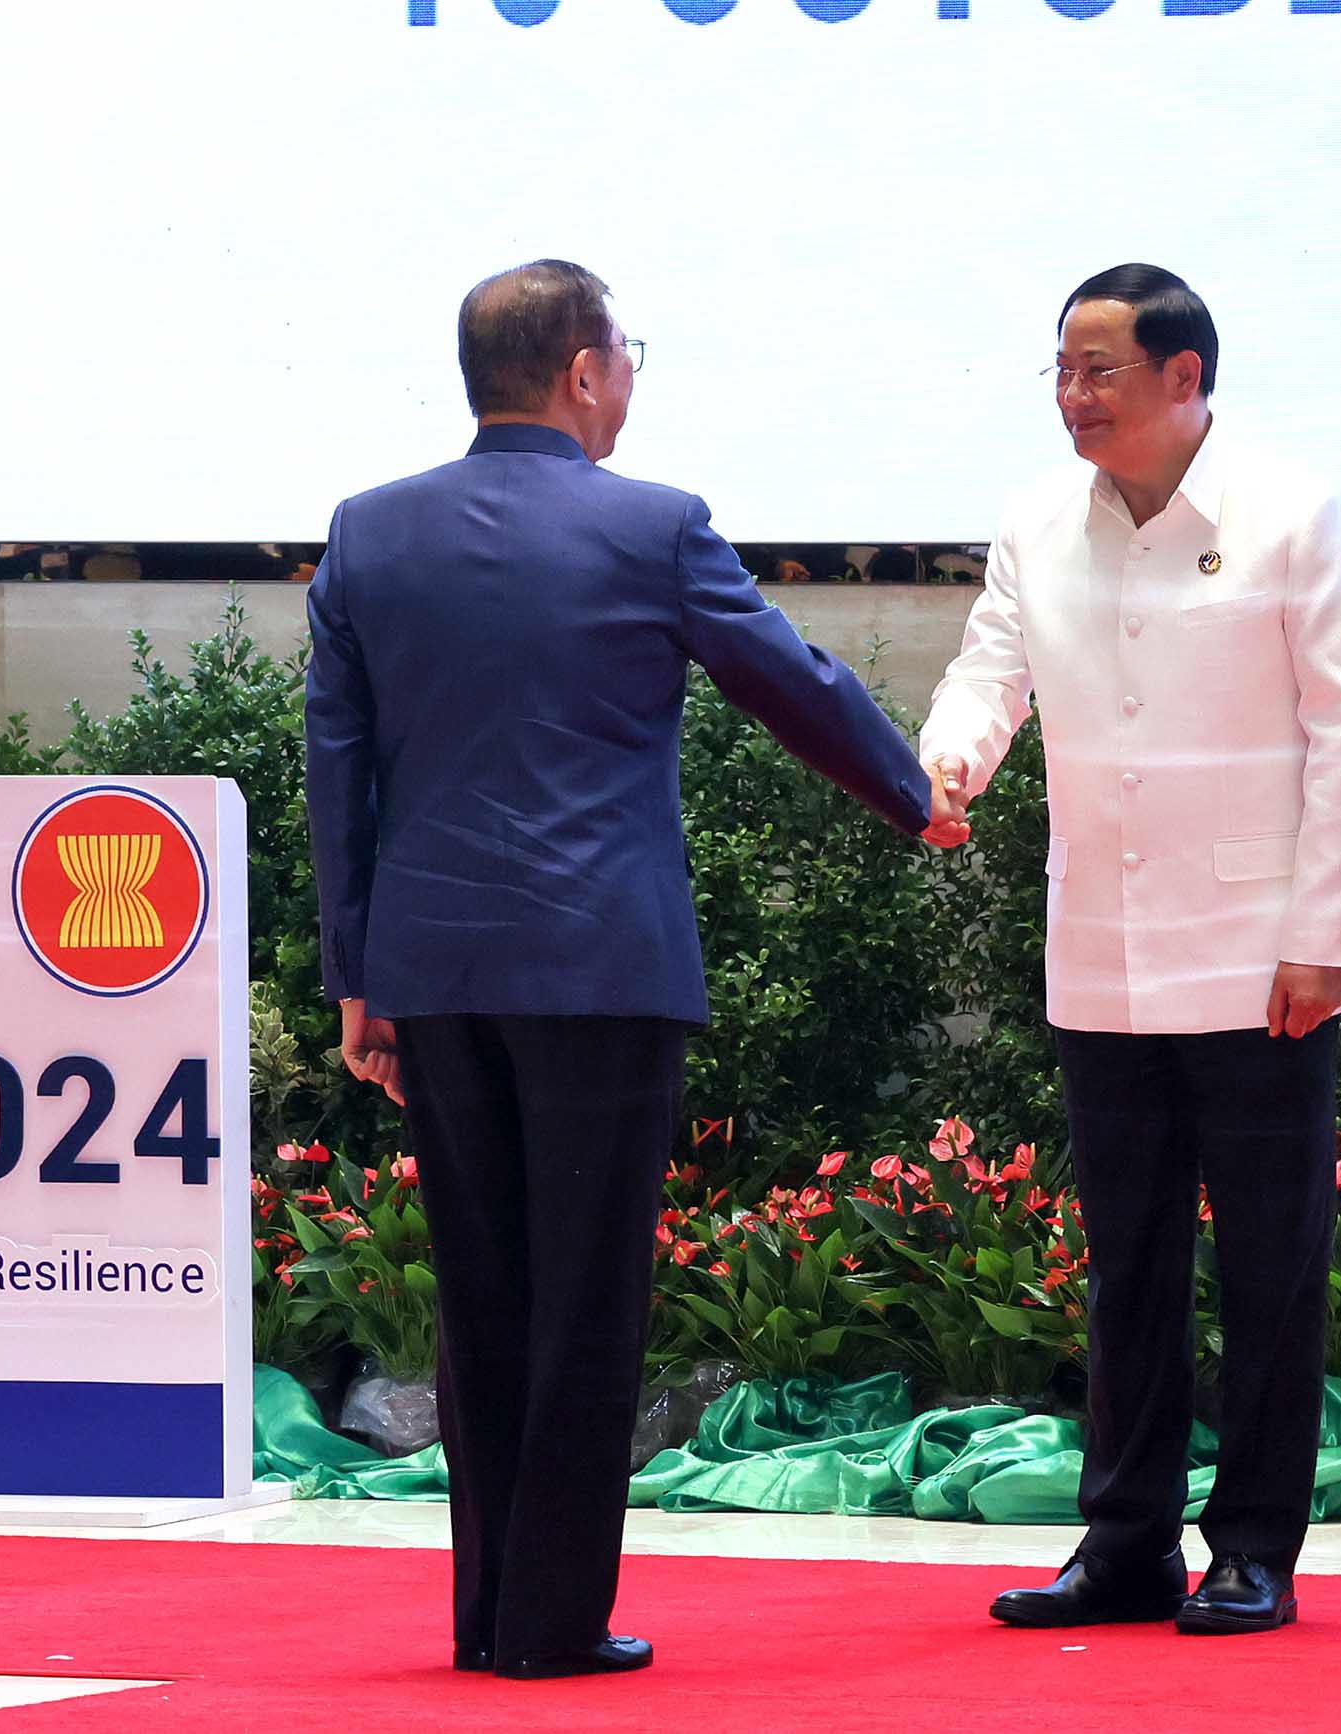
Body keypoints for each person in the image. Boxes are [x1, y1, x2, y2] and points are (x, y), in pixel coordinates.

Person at [303, 260, 950, 1682]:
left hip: (438, 969)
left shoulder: (368, 532)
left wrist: (360, 975)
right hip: (600, 964)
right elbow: (788, 678)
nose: (630, 381)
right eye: (627, 356)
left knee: (481, 1295)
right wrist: (911, 793)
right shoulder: (653, 525)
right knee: (590, 1294)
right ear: (585, 371)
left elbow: (334, 770)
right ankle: (554, 1621)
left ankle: (484, 1617)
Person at [924, 264, 1341, 1637]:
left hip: (1263, 956)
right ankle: (1124, 1538)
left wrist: (1324, 934)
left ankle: (1252, 1543)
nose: (1074, 397)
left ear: (1187, 378)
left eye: (1101, 371)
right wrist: (951, 761)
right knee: (1125, 1259)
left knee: (1267, 1261)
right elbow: (988, 668)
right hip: (1103, 948)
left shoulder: (1292, 513)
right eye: (1061, 371)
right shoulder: (1035, 522)